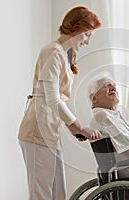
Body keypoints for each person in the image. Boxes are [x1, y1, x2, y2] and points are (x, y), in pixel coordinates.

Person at [18, 6, 102, 200]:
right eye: (87, 35)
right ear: (77, 29)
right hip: (37, 132)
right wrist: (79, 126)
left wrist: (73, 129)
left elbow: (58, 100)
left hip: (49, 130)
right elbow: (52, 98)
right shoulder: (53, 52)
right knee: (41, 194)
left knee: (58, 194)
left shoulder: (65, 54)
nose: (88, 41)